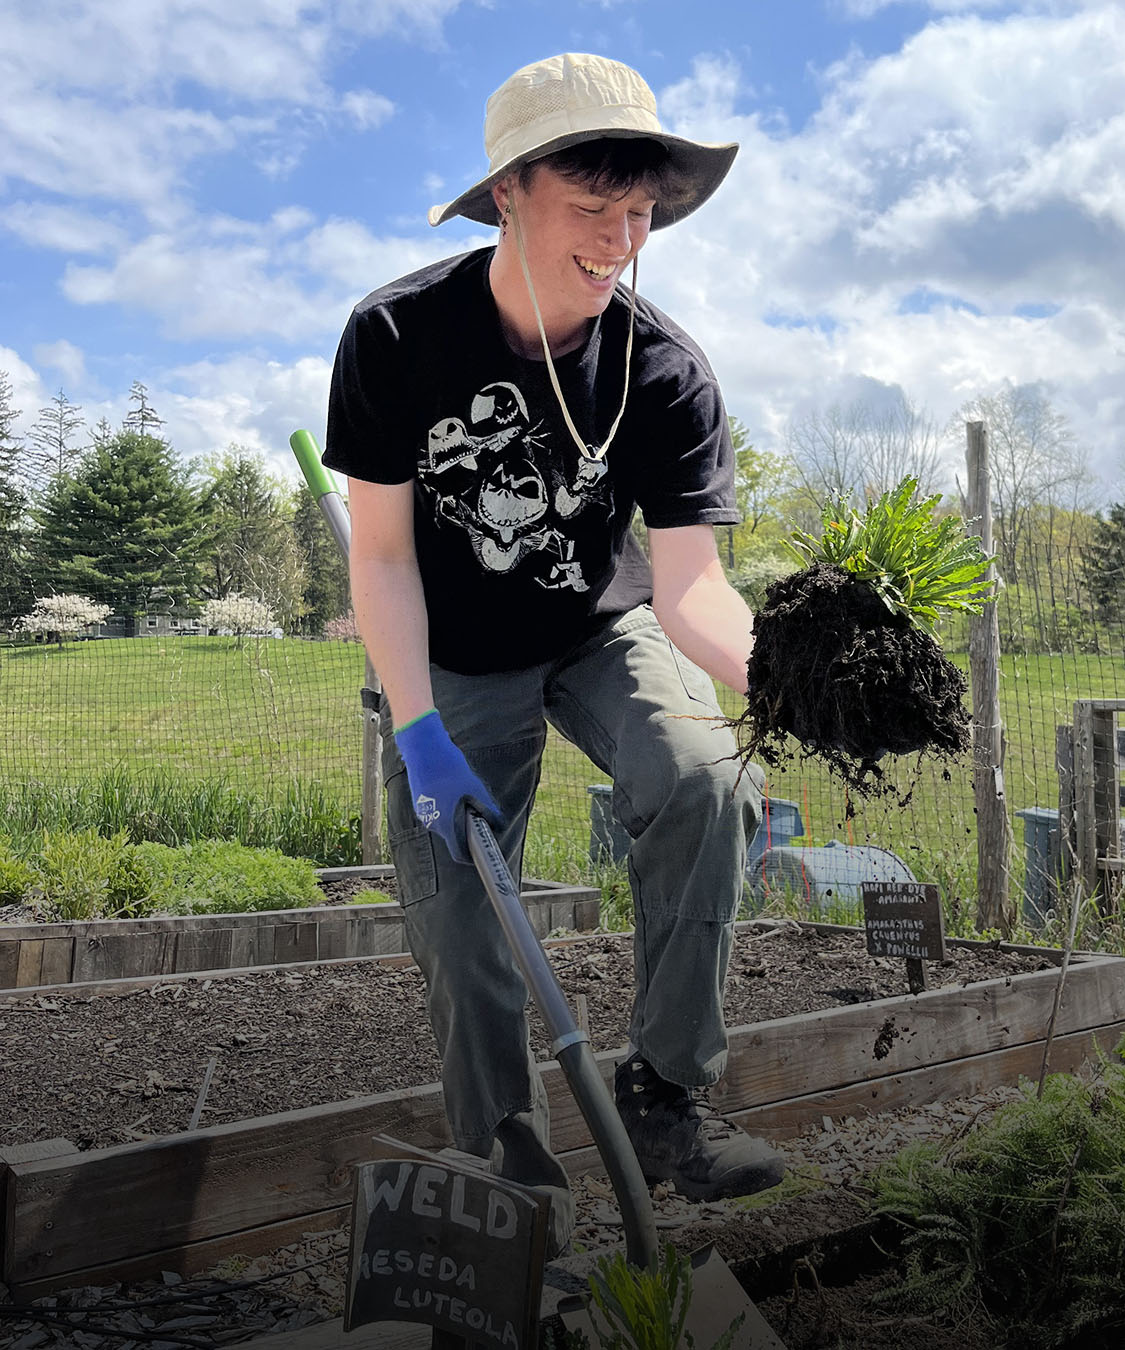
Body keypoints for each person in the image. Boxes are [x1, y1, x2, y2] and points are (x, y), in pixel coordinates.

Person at [322, 51, 783, 1258]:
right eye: (594, 208)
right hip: (450, 650)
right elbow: (377, 558)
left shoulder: (666, 370)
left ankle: (667, 1097)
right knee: (459, 893)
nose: (622, 239)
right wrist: (417, 726)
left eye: (641, 215)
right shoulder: (395, 335)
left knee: (703, 779)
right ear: (510, 193)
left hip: (596, 625)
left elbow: (691, 587)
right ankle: (508, 1151)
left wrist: (788, 683)